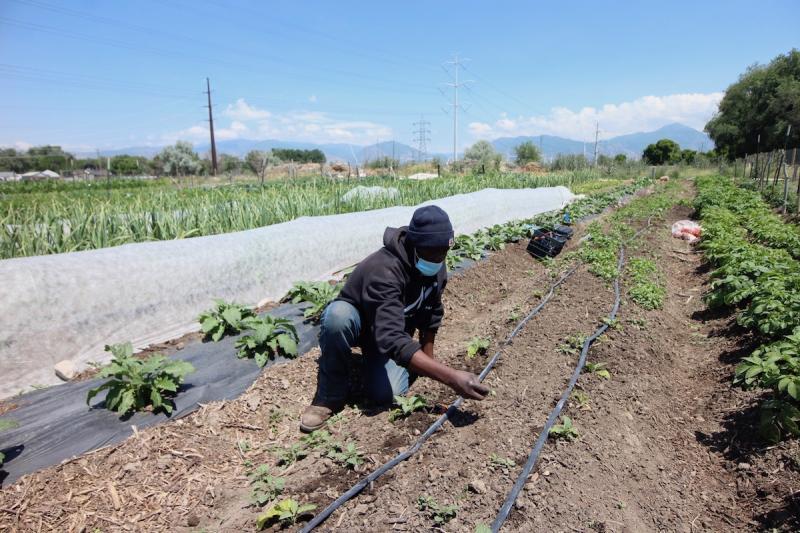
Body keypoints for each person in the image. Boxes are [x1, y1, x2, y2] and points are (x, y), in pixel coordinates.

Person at [300, 205, 490, 432]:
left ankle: (401, 363)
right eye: (434, 253)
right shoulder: (385, 269)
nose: (440, 259)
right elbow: (390, 337)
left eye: (444, 252)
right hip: (364, 326)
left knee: (386, 394)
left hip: (391, 331)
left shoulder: (435, 263)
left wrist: (430, 360)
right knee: (338, 317)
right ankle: (329, 395)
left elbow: (432, 311)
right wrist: (450, 378)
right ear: (415, 246)